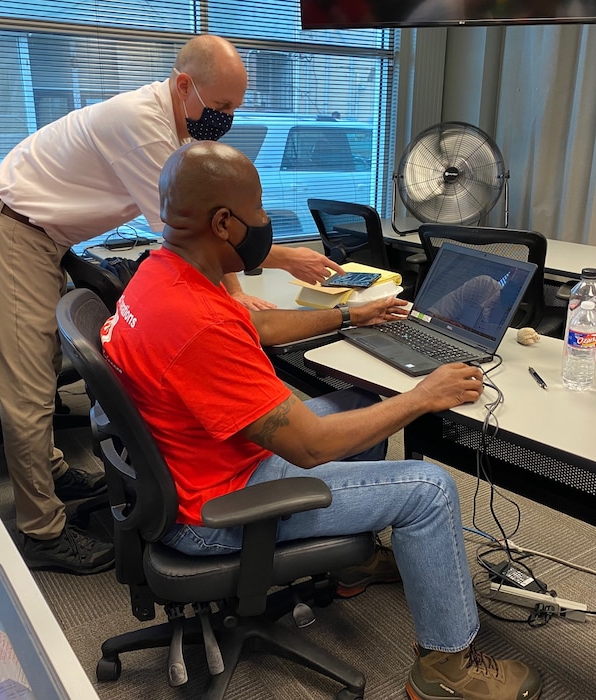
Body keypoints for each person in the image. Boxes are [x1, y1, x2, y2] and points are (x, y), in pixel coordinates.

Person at [100, 140, 543, 700]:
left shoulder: (162, 274)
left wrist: (346, 314)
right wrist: (422, 396)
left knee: (360, 403)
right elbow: (308, 447)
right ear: (222, 223)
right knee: (429, 490)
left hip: (191, 466)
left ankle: (354, 566)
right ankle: (446, 669)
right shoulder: (195, 321)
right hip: (215, 510)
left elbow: (249, 330)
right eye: (258, 210)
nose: (265, 222)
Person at [0, 34, 342, 575]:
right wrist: (277, 264)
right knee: (26, 389)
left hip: (44, 237)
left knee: (39, 375)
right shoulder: (141, 127)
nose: (229, 117)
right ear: (184, 86)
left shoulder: (171, 122)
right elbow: (192, 234)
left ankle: (51, 470)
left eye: (236, 106)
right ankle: (41, 532)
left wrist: (236, 298)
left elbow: (205, 237)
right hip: (15, 234)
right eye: (223, 106)